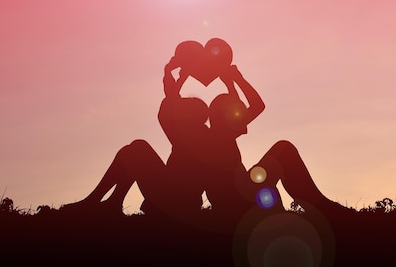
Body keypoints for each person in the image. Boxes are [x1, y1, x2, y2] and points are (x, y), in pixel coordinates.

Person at [199, 64, 352, 222]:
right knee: (284, 150)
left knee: (282, 152)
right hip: (239, 203)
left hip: (238, 198)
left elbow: (244, 108)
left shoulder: (218, 133)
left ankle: (318, 208)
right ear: (227, 117)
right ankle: (322, 208)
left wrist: (230, 83)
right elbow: (258, 105)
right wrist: (236, 79)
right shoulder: (219, 136)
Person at [60, 58, 209, 217]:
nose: (179, 112)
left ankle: (97, 201)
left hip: (176, 201)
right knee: (134, 151)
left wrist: (178, 79)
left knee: (138, 148)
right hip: (176, 198)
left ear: (192, 116)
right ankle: (111, 202)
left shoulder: (194, 137)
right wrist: (169, 74)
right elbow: (172, 101)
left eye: (184, 109)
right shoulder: (197, 134)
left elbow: (169, 107)